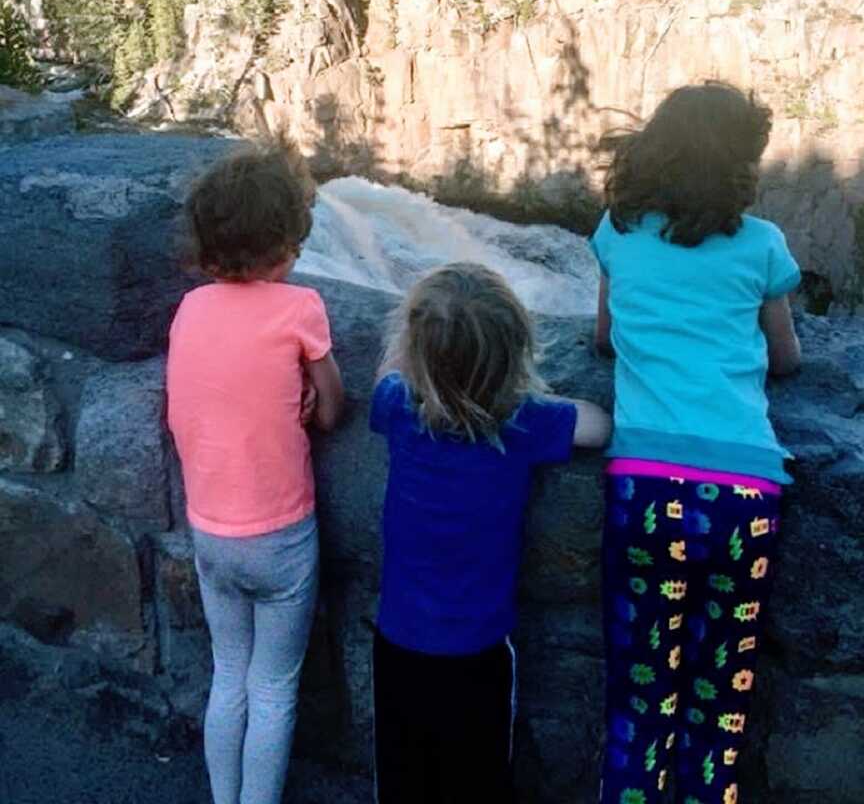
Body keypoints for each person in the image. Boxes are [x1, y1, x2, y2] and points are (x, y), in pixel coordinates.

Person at [591, 82, 802, 804]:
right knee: (720, 709)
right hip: (746, 495)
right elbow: (786, 358)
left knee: (640, 708)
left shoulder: (616, 233)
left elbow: (601, 337)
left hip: (647, 489)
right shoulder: (763, 244)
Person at [369, 262, 611, 804]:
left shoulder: (397, 408)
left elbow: (388, 371)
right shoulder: (525, 423)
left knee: (403, 780)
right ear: (515, 352)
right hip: (478, 654)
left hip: (399, 644)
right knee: (477, 783)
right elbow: (599, 425)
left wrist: (418, 348)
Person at [167, 144, 344, 804]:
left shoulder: (189, 309)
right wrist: (306, 395)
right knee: (273, 687)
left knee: (229, 673)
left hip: (210, 531)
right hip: (280, 541)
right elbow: (330, 409)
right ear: (287, 242)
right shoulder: (300, 308)